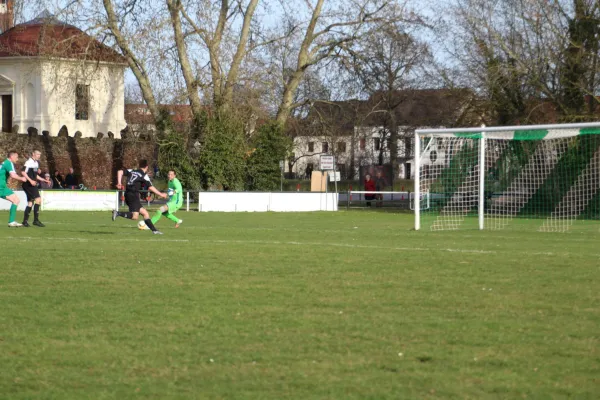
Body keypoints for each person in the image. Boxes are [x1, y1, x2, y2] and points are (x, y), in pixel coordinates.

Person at [112, 159, 167, 234]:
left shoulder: (132, 170)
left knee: (145, 213)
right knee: (135, 216)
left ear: (139, 166)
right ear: (146, 167)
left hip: (129, 195)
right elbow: (150, 187)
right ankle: (117, 213)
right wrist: (161, 194)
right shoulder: (144, 176)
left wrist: (119, 182)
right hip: (133, 196)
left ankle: (155, 231)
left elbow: (120, 171)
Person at [21, 150, 51, 227]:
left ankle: (25, 221)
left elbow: (35, 176)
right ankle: (36, 220)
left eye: (40, 155)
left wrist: (44, 180)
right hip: (28, 184)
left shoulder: (36, 163)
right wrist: (30, 180)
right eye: (37, 154)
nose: (39, 156)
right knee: (38, 199)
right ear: (33, 154)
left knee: (30, 202)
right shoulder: (28, 162)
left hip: (31, 184)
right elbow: (23, 172)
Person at [0, 150, 28, 227]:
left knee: (16, 200)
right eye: (16, 157)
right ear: (11, 156)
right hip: (1, 187)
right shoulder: (9, 163)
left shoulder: (5, 163)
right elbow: (13, 175)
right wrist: (21, 178)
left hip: (2, 186)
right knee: (16, 200)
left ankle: (11, 221)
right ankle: (11, 221)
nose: (17, 159)